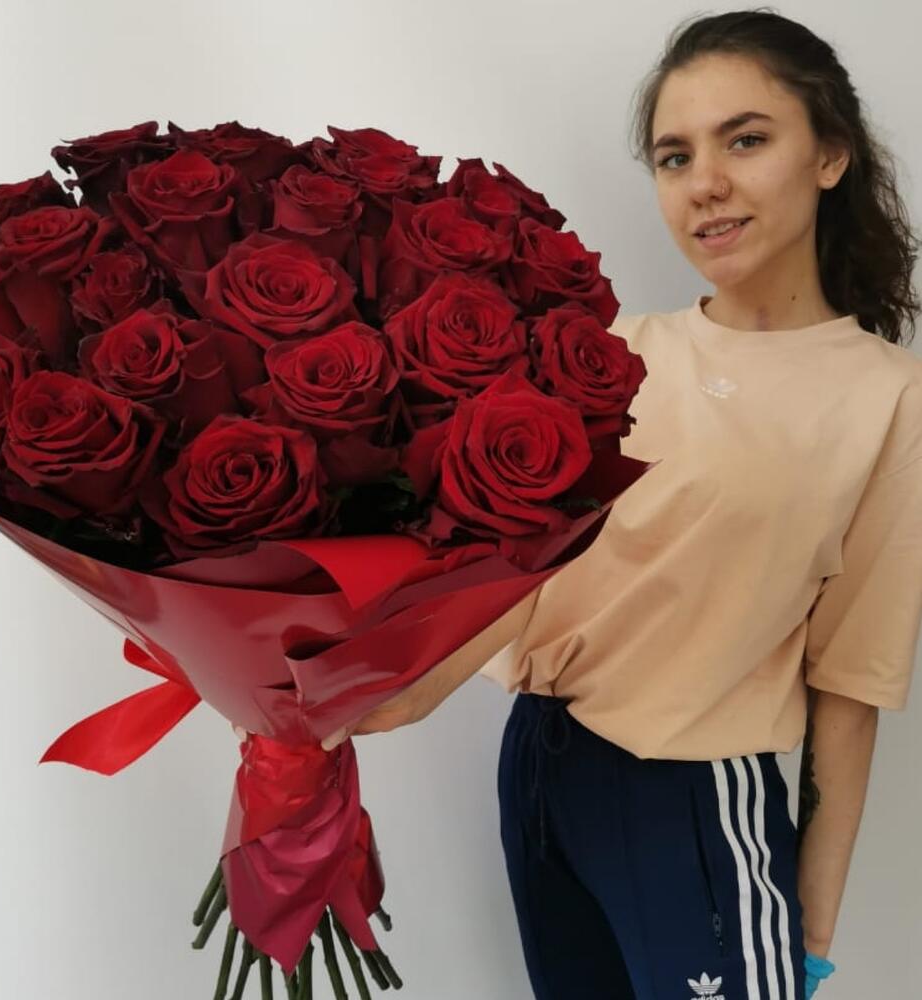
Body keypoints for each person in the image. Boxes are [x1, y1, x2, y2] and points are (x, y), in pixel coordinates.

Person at [321, 8, 922, 1000]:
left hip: (696, 799)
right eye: (674, 157)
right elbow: (521, 578)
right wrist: (404, 689)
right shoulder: (606, 353)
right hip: (541, 770)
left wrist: (809, 933)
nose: (705, 183)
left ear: (830, 156)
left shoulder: (885, 397)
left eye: (745, 140)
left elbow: (851, 681)